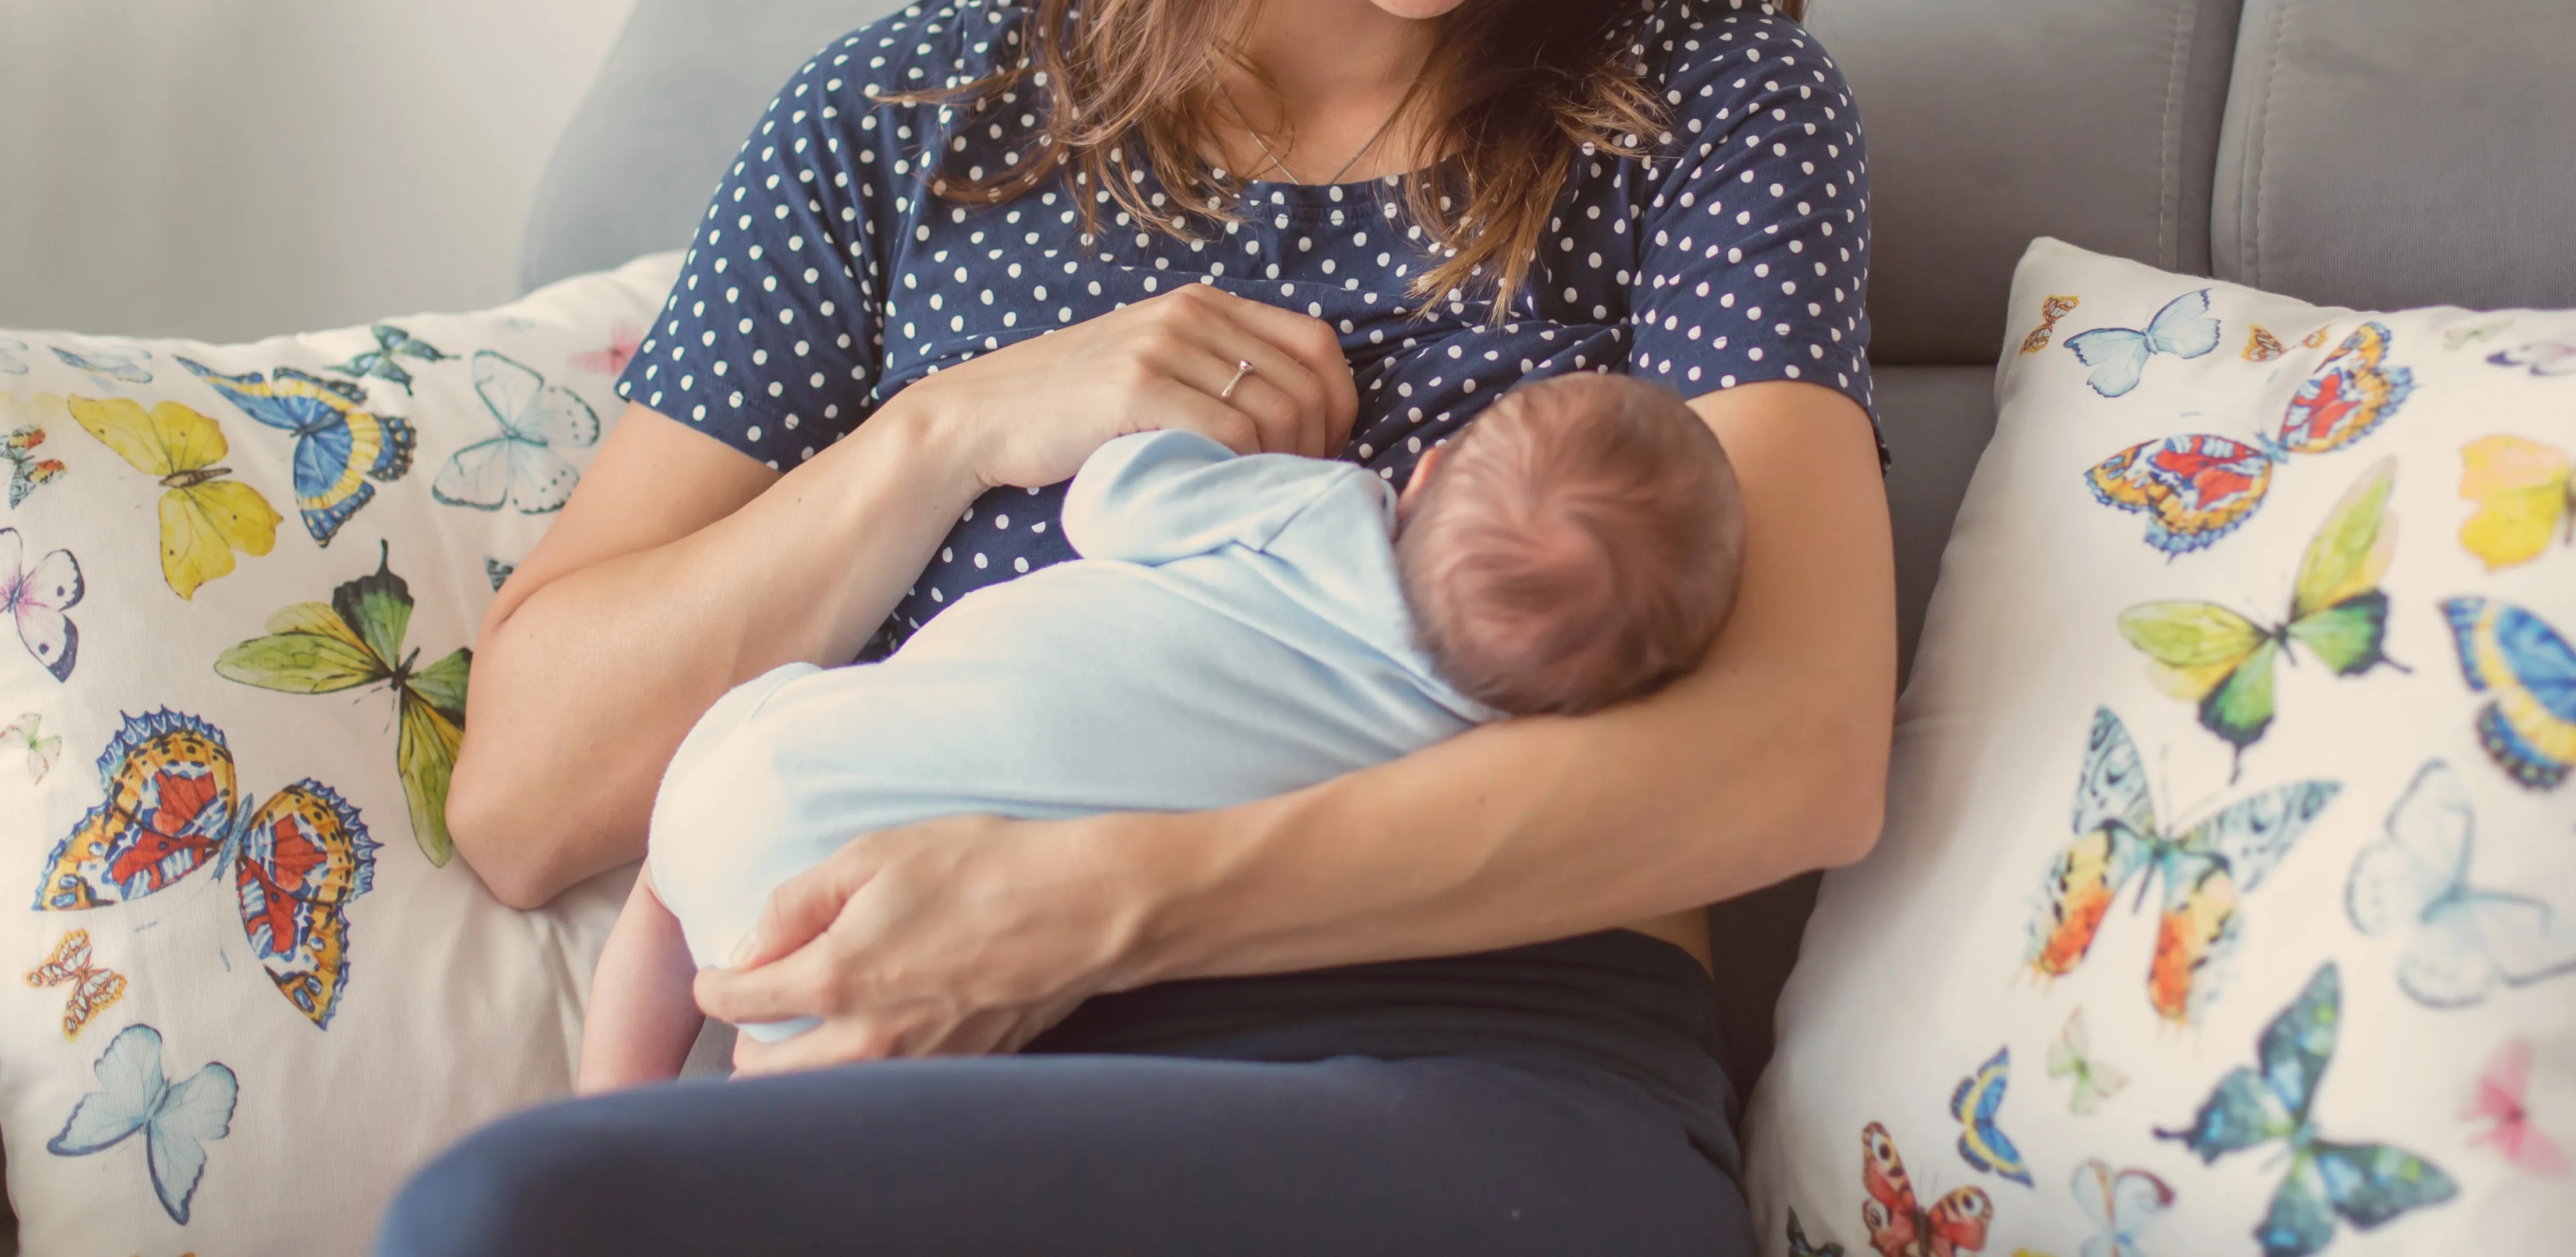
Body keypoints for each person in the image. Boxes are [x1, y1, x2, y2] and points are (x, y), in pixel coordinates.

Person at [386, 0, 1894, 1257]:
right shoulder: (897, 120)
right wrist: (945, 434)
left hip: (1475, 1073)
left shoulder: (1707, 108)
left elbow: (1790, 755)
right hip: (915, 1090)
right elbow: (527, 794)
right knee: (513, 1213)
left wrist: (1105, 894)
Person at [578, 371, 1745, 1089]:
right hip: (882, 924)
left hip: (776, 760)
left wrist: (1247, 456)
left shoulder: (1318, 509)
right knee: (794, 1092)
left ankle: (607, 1110)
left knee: (668, 897)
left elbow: (1112, 499)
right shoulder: (1446, 766)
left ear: (1429, 469)